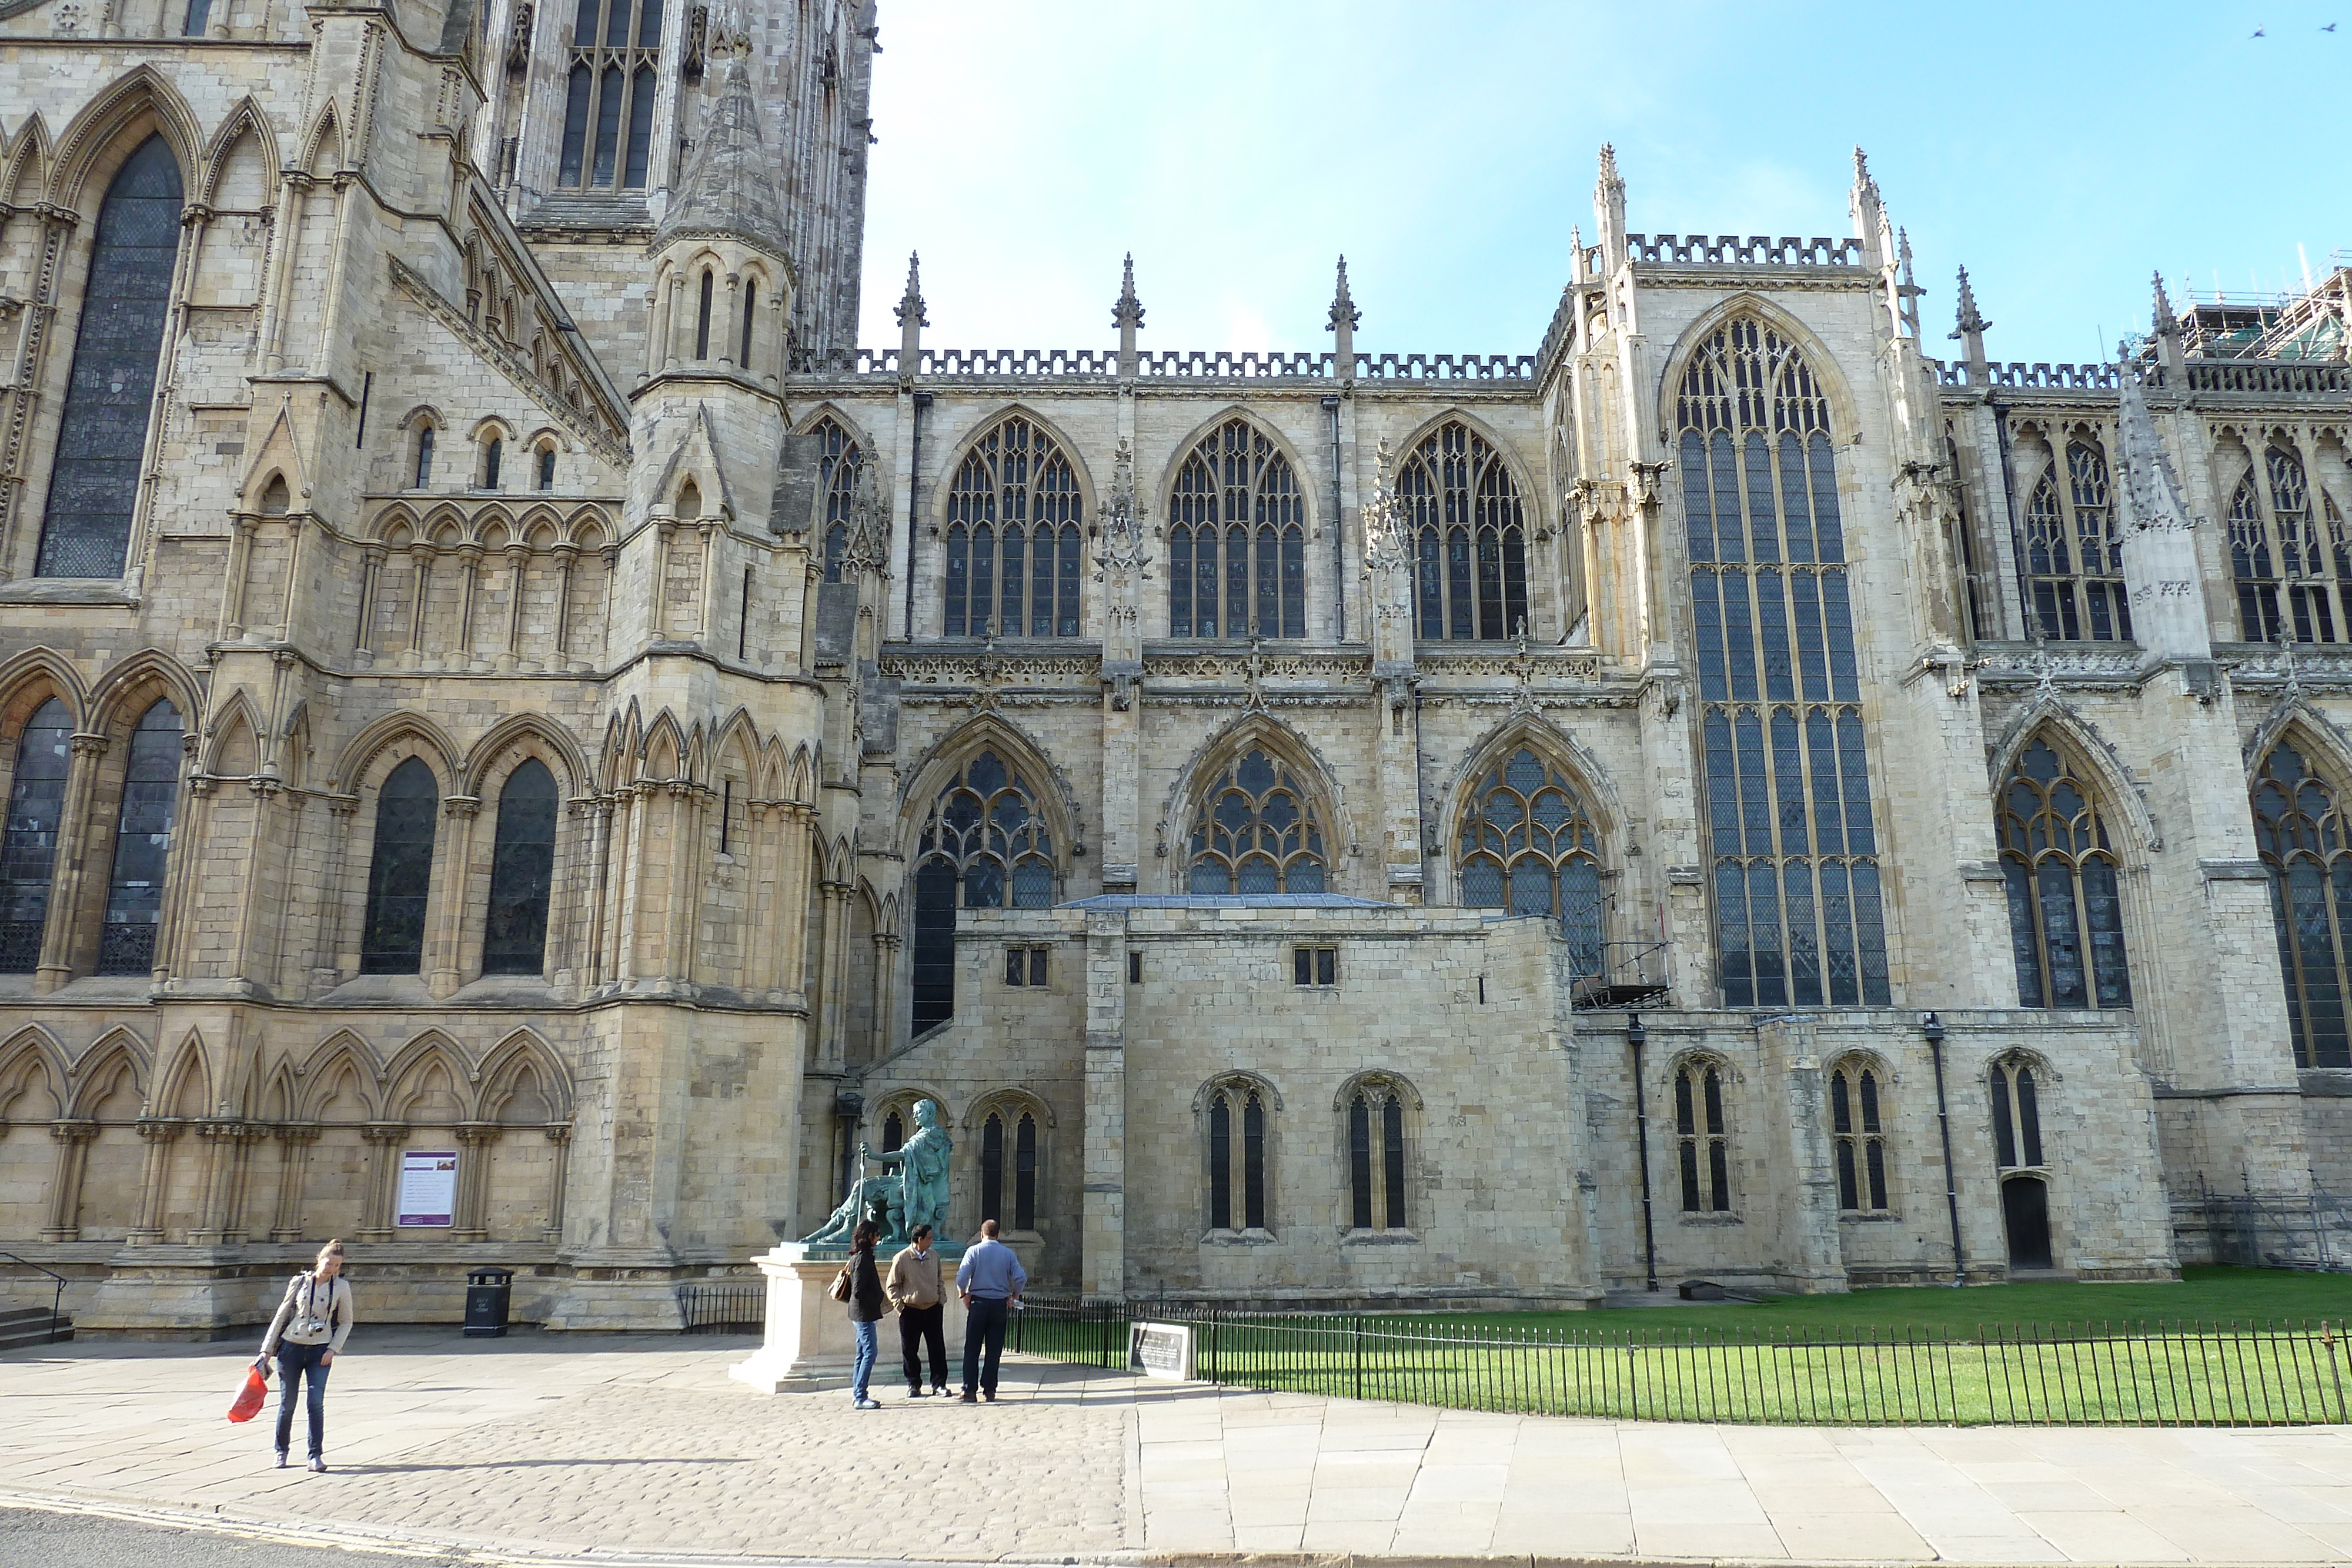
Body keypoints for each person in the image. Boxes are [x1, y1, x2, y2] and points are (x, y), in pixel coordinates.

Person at [258, 1239, 355, 1472]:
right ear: (319, 1260)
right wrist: (266, 1351)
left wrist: (333, 1349)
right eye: (329, 1263)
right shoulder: (299, 1282)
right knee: (288, 1403)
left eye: (337, 1266)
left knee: (315, 1403)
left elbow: (346, 1321)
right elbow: (281, 1316)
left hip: (320, 1351)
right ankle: (281, 1451)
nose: (331, 1269)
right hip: (291, 1347)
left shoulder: (341, 1287)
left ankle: (315, 1455)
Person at [955, 1218, 1026, 1403]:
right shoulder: (1008, 1254)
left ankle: (970, 1389)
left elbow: (962, 1277)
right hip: (999, 1305)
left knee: (972, 1348)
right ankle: (990, 1389)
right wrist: (1015, 1296)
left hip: (978, 1303)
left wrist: (964, 1294)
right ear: (998, 1234)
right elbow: (1020, 1278)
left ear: (981, 1234)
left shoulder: (974, 1251)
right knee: (994, 1350)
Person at [887, 1222, 948, 1397]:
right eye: (929, 1238)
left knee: (937, 1349)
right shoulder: (902, 1258)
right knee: (910, 1350)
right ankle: (914, 1384)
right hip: (910, 1310)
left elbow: (940, 1280)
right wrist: (900, 1307)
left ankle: (939, 1384)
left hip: (932, 1309)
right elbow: (892, 1286)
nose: (932, 1241)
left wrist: (941, 1299)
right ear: (919, 1239)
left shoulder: (934, 1256)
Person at [844, 1219, 886, 1410]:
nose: (879, 1238)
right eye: (877, 1235)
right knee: (870, 1352)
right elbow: (859, 1290)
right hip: (863, 1313)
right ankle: (860, 1395)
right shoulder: (862, 1258)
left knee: (862, 1353)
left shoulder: (866, 1256)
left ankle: (859, 1393)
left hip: (864, 1313)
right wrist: (877, 1297)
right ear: (869, 1237)